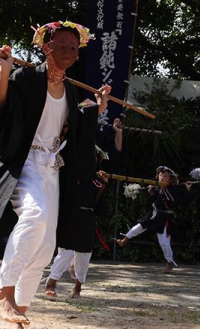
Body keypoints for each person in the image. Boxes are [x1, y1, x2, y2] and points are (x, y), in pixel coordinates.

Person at [0, 20, 109, 327]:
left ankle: (20, 308)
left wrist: (97, 109)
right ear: (45, 47)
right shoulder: (26, 78)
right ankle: (3, 292)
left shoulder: (72, 92)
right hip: (23, 163)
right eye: (61, 44)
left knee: (47, 245)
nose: (68, 51)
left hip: (51, 168)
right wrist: (5, 71)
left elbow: (76, 127)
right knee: (34, 216)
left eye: (73, 47)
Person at [44, 118, 123, 298]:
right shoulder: (69, 165)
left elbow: (95, 200)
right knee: (65, 251)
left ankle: (78, 288)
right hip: (69, 213)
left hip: (86, 216)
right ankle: (51, 283)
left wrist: (103, 185)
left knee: (83, 255)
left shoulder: (96, 175)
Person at [117, 166, 193, 273]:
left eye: (165, 176)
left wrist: (188, 190)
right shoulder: (156, 188)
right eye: (161, 175)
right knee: (140, 226)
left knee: (164, 243)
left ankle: (170, 262)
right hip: (154, 213)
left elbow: (183, 201)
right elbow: (157, 200)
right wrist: (152, 193)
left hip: (165, 217)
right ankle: (125, 239)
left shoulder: (175, 189)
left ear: (171, 179)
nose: (162, 178)